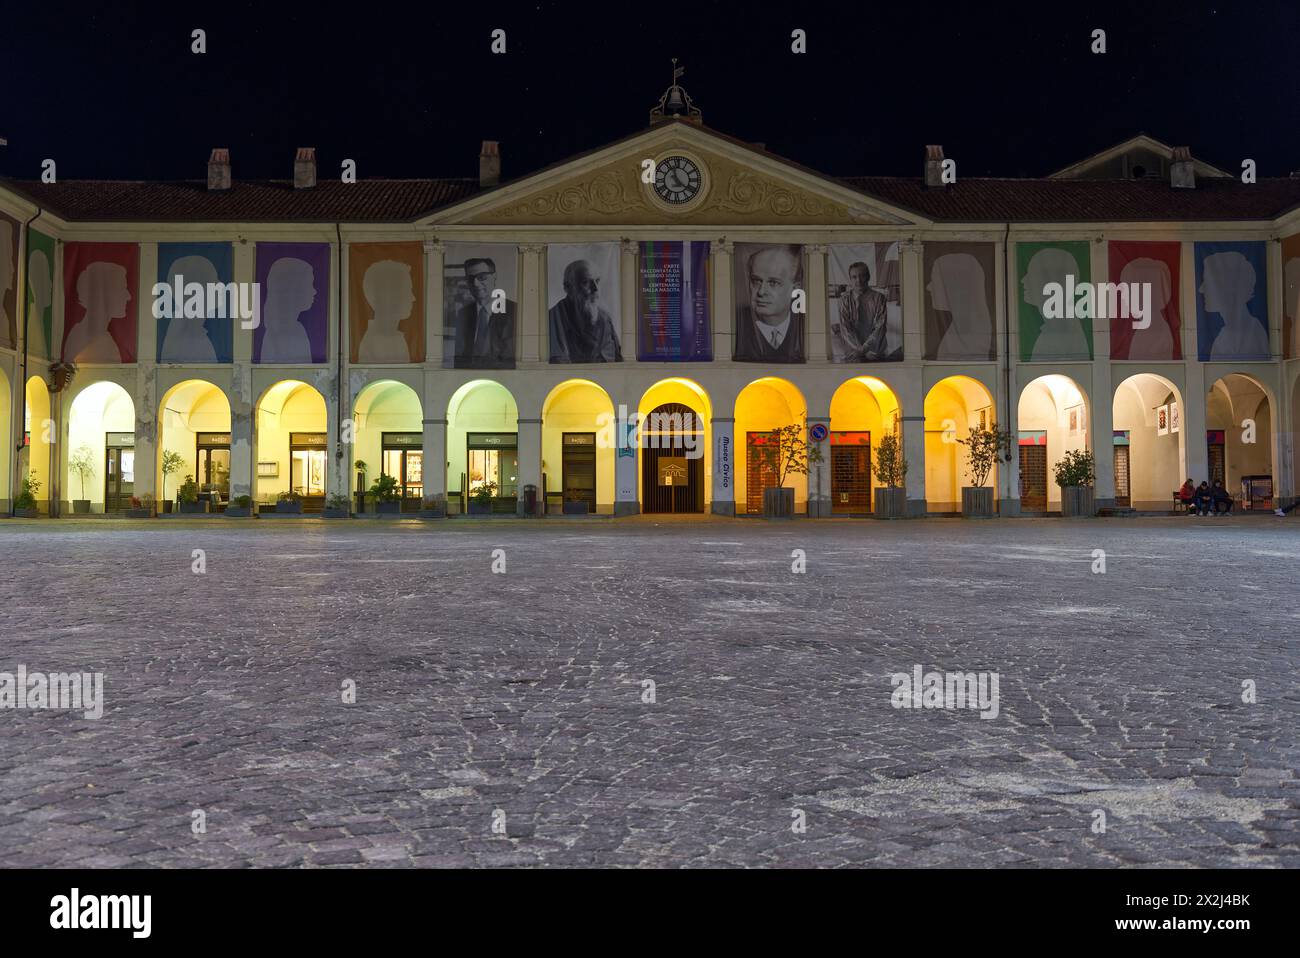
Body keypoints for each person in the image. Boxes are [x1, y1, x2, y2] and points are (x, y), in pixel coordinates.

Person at [734, 245, 805, 362]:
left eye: (773, 283)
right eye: (756, 281)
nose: (761, 292)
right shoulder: (735, 323)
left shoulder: (805, 326)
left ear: (795, 288)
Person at [549, 258, 622, 363]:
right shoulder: (555, 317)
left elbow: (616, 357)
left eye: (597, 281)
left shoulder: (605, 319)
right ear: (568, 288)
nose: (595, 288)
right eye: (586, 282)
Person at [454, 257, 514, 367]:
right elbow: (460, 355)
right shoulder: (463, 313)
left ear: (494, 277)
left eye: (482, 277)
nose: (475, 283)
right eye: (470, 278)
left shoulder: (514, 311)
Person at [65, 261, 130, 362]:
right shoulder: (87, 339)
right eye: (122, 289)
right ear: (104, 295)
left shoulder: (100, 336)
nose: (128, 296)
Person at [358, 259, 416, 363]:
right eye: (408, 290)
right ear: (389, 296)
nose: (413, 298)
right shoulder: (372, 343)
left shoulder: (398, 339)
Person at [833, 260, 888, 361]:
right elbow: (845, 329)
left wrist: (864, 349)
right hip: (852, 350)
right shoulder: (844, 300)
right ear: (850, 279)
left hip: (874, 350)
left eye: (862, 276)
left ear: (868, 277)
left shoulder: (879, 298)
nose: (858, 280)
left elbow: (880, 328)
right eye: (854, 277)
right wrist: (858, 350)